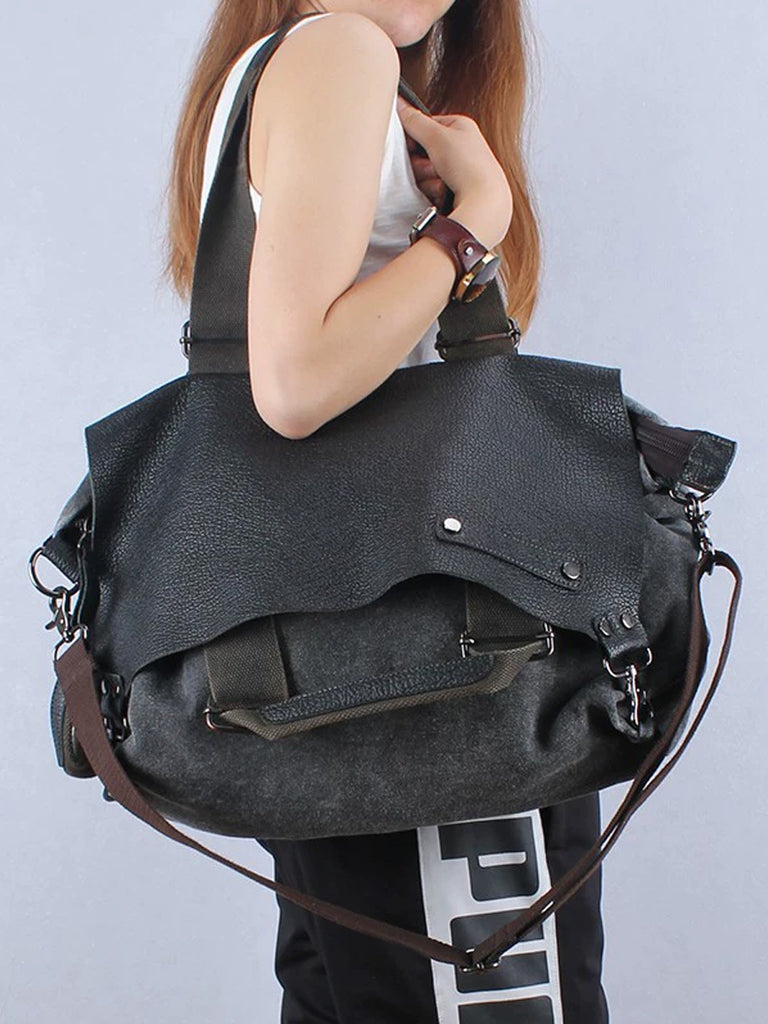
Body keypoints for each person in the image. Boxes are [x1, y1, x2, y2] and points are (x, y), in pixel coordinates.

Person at [162, 2, 611, 1021]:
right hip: (437, 668)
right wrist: (473, 218)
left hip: (342, 671)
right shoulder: (340, 50)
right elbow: (295, 384)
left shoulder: (284, 65)